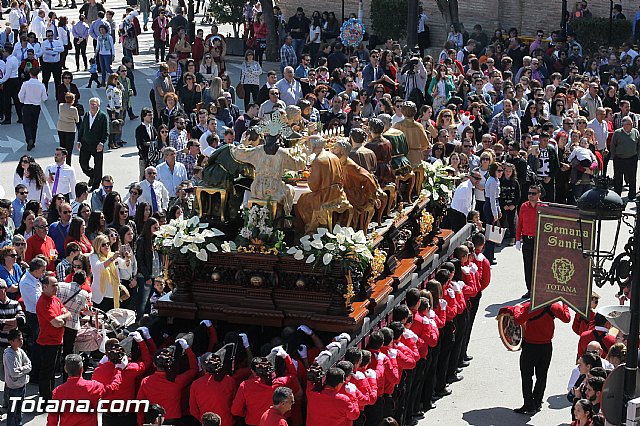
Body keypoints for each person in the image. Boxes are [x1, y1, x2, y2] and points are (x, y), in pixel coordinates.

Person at [513, 300, 570, 414]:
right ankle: (537, 402)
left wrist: (517, 308)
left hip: (530, 347)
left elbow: (518, 320)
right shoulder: (553, 306)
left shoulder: (532, 305)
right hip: (546, 347)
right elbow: (566, 318)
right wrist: (565, 304)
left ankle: (529, 405)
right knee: (542, 375)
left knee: (526, 375)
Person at [93, 332, 154, 426]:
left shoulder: (98, 371)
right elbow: (147, 362)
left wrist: (101, 364)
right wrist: (141, 342)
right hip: (127, 416)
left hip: (108, 417)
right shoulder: (131, 369)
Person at [47, 353, 125, 425]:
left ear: (65, 369)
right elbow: (112, 388)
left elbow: (52, 419)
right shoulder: (94, 386)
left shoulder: (58, 392)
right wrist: (118, 370)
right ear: (82, 369)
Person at [136, 337, 198, 425]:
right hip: (172, 421)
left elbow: (140, 405)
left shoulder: (145, 381)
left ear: (154, 364)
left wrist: (140, 423)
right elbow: (194, 369)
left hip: (154, 422)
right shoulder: (177, 381)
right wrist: (187, 348)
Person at [36, 274, 71, 400]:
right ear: (44, 287)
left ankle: (50, 396)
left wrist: (61, 319)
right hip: (47, 343)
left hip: (57, 341)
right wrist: (61, 319)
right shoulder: (43, 302)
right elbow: (56, 323)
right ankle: (45, 400)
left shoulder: (55, 299)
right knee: (47, 373)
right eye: (53, 285)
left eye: (57, 285)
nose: (56, 288)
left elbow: (68, 314)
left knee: (52, 373)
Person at [57, 270, 90, 382]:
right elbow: (80, 309)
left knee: (56, 349)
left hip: (58, 321)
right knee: (68, 351)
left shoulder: (60, 285)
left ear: (72, 277)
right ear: (84, 281)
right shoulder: (84, 294)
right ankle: (66, 378)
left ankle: (56, 369)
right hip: (72, 324)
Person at [189, 350, 237, 426]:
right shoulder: (229, 380)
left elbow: (193, 410)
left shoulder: (195, 384)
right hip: (228, 422)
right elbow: (235, 404)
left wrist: (204, 422)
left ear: (202, 367)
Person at [515, 185, 543, 298]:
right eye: (529, 193)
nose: (530, 195)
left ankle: (539, 290)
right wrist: (517, 239)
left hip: (539, 239)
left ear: (539, 195)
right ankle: (530, 290)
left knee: (540, 266)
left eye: (533, 193)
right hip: (527, 239)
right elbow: (520, 223)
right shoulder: (524, 206)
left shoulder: (544, 207)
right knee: (528, 265)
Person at [78, 98, 110, 191]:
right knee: (82, 162)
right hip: (85, 143)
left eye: (94, 104)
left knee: (98, 165)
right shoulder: (87, 115)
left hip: (97, 145)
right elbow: (82, 128)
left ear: (98, 105)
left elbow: (106, 131)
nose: (92, 106)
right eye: (91, 104)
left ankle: (95, 185)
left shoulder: (103, 116)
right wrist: (79, 140)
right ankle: (93, 175)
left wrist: (101, 143)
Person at [17, 67, 47, 151]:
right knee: (34, 124)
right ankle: (33, 141)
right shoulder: (41, 85)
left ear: (30, 74)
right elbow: (44, 98)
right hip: (36, 107)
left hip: (27, 106)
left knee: (26, 124)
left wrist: (23, 101)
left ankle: (29, 139)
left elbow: (20, 96)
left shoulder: (25, 84)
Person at [89, 233, 121, 311]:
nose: (107, 246)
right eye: (103, 244)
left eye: (108, 244)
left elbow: (123, 265)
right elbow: (99, 267)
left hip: (113, 295)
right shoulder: (94, 256)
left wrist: (127, 260)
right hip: (101, 297)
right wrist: (112, 259)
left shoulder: (112, 255)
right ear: (98, 246)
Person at [610, 116, 640, 200]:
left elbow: (638, 144)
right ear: (624, 125)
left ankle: (632, 195)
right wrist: (614, 156)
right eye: (629, 124)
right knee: (618, 177)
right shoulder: (617, 133)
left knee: (632, 177)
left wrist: (637, 155)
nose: (631, 125)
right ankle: (617, 196)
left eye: (631, 124)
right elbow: (613, 146)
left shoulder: (635, 132)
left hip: (632, 158)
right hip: (619, 159)